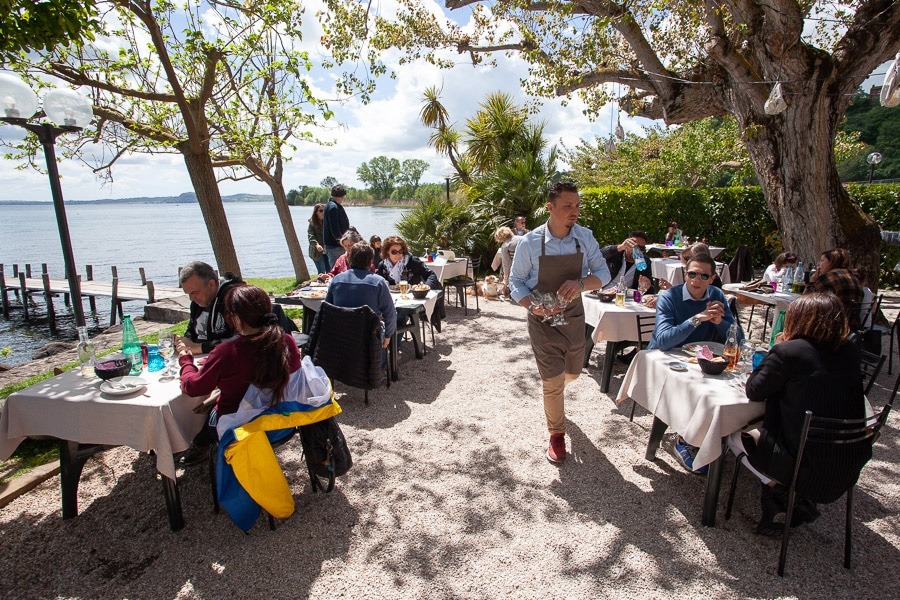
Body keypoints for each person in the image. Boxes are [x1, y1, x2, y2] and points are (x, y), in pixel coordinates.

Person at [732, 293, 870, 536]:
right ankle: (796, 496)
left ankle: (779, 488)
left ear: (798, 319)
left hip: (800, 464)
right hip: (848, 459)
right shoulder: (850, 350)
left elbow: (754, 390)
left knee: (732, 434)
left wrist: (777, 347)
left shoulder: (790, 351)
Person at [509, 181, 610, 464]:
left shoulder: (584, 237)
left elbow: (603, 273)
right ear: (550, 207)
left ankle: (557, 398)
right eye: (568, 206)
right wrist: (532, 305)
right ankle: (556, 434)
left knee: (573, 373)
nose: (574, 211)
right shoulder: (529, 242)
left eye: (577, 205)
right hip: (541, 320)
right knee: (552, 380)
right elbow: (515, 282)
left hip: (574, 317)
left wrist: (580, 283)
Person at [175, 284, 302, 465]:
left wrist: (186, 362)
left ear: (234, 317)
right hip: (281, 421)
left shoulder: (227, 353)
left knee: (203, 410)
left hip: (239, 427)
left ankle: (195, 445)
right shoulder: (286, 341)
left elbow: (193, 387)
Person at [326, 242, 396, 351]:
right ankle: (382, 365)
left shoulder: (336, 280)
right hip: (369, 336)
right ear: (370, 262)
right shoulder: (378, 282)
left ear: (349, 259)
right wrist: (388, 335)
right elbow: (390, 313)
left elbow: (328, 309)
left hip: (342, 335)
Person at [376, 234, 445, 331]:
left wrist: (426, 286)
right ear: (387, 252)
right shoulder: (382, 266)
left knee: (398, 316)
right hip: (392, 299)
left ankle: (395, 344)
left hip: (411, 300)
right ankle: (388, 341)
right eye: (394, 252)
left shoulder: (412, 261)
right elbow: (379, 284)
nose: (398, 255)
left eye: (401, 251)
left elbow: (431, 274)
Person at [179, 261, 243, 354]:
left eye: (194, 292)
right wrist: (185, 340)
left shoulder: (235, 299)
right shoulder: (197, 302)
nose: (191, 298)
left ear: (211, 285)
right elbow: (192, 329)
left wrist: (201, 348)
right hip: (200, 358)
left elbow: (243, 338)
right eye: (188, 293)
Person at [808, 247, 864, 330]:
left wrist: (812, 282)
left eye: (822, 260)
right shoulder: (854, 276)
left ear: (832, 262)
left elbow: (806, 301)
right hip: (852, 325)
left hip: (831, 326)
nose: (818, 264)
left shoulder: (827, 277)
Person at [323, 184, 351, 268]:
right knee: (338, 270)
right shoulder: (333, 207)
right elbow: (335, 230)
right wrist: (343, 242)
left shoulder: (331, 205)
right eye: (343, 196)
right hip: (335, 247)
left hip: (335, 246)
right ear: (341, 196)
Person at [490, 226, 521, 295]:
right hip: (530, 266)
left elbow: (507, 264)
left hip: (517, 269)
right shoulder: (522, 238)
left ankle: (506, 288)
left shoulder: (505, 245)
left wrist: (505, 279)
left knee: (504, 266)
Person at [307, 203, 328, 274]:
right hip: (317, 252)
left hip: (327, 251)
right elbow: (311, 236)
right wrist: (317, 245)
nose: (323, 212)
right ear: (316, 212)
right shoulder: (312, 223)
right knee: (321, 272)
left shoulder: (327, 222)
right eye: (321, 211)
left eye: (324, 210)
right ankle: (320, 284)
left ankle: (330, 285)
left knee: (330, 271)